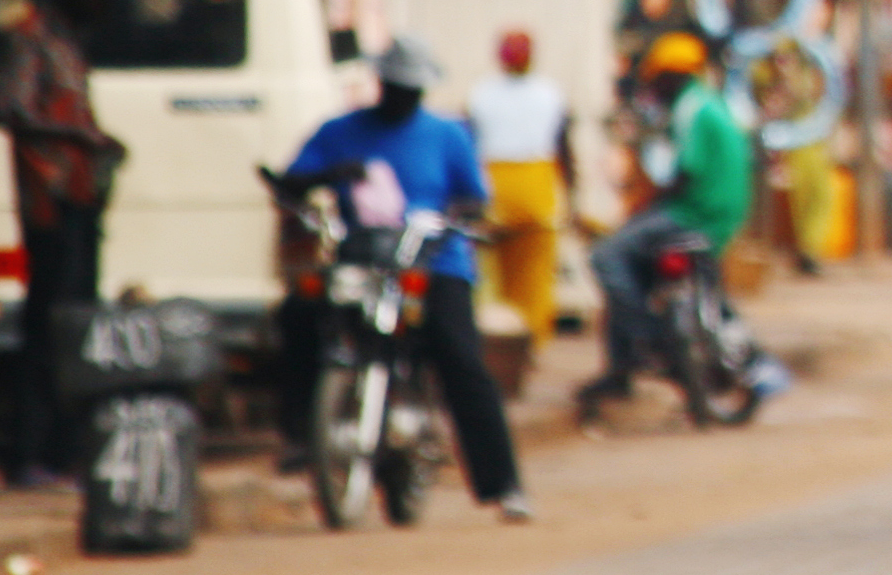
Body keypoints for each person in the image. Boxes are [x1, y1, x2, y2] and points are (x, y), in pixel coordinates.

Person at [284, 39, 528, 519]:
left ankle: (503, 485)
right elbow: (292, 180)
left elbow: (474, 199)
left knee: (462, 363)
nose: (403, 97)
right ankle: (304, 436)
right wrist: (330, 175)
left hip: (433, 264)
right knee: (298, 319)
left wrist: (448, 219)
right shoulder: (339, 132)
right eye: (395, 88)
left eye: (411, 90)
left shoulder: (448, 135)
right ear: (381, 85)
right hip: (362, 262)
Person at [0, 0, 124, 490]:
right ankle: (28, 456)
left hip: (79, 200)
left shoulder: (68, 42)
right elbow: (7, 108)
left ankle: (63, 453)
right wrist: (78, 135)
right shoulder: (32, 39)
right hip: (50, 207)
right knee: (46, 331)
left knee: (74, 332)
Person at [579, 32, 749, 422]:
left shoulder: (691, 109)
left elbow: (684, 174)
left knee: (608, 255)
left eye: (657, 79)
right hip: (719, 216)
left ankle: (645, 337)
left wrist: (643, 208)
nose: (653, 88)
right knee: (631, 256)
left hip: (696, 214)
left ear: (671, 76)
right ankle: (622, 365)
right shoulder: (710, 104)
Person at [467, 29, 573, 363]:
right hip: (536, 188)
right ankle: (531, 346)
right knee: (535, 275)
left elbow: (469, 144)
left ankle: (491, 342)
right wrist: (572, 194)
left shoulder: (480, 94)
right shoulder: (550, 93)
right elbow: (564, 147)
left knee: (490, 275)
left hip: (494, 189)